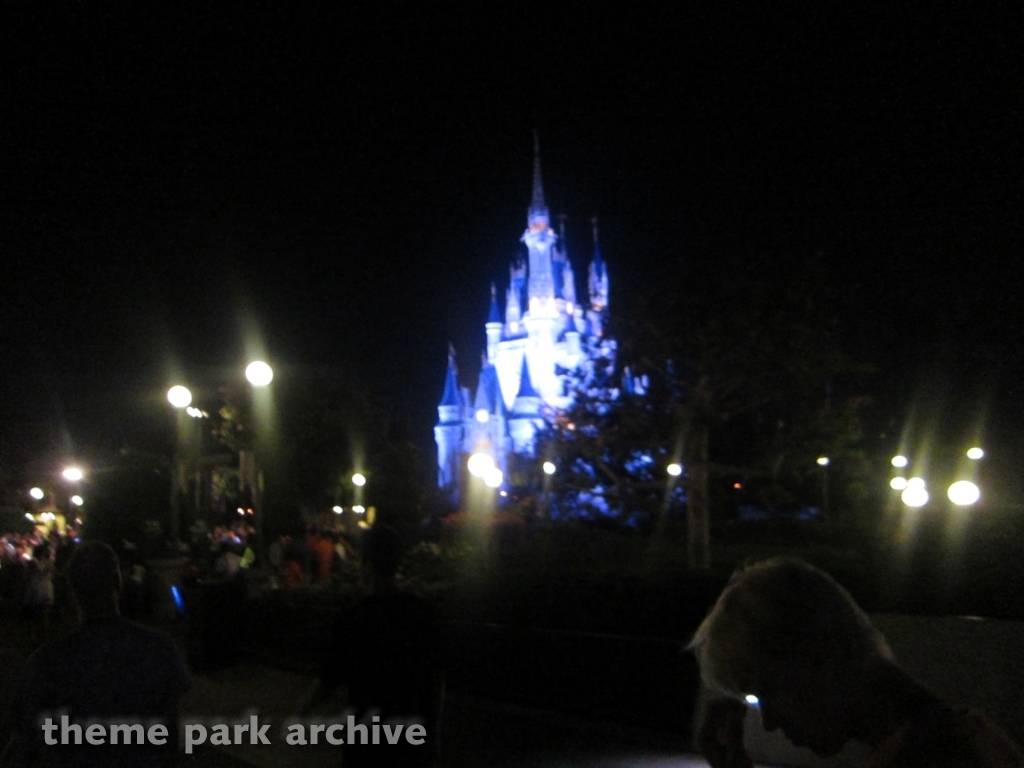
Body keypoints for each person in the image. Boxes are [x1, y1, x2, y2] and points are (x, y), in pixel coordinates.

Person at [689, 557, 1024, 768]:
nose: (770, 723)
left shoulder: (927, 756)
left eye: (768, 693)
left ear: (818, 657)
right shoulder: (965, 734)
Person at [2, 541, 190, 766]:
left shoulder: (46, 662)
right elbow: (174, 735)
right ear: (118, 582)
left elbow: (24, 745)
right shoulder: (160, 648)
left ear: (72, 589)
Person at [316, 525, 443, 767]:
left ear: (367, 565)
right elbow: (436, 679)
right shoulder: (422, 613)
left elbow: (328, 680)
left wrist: (300, 712)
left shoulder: (353, 619)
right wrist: (433, 736)